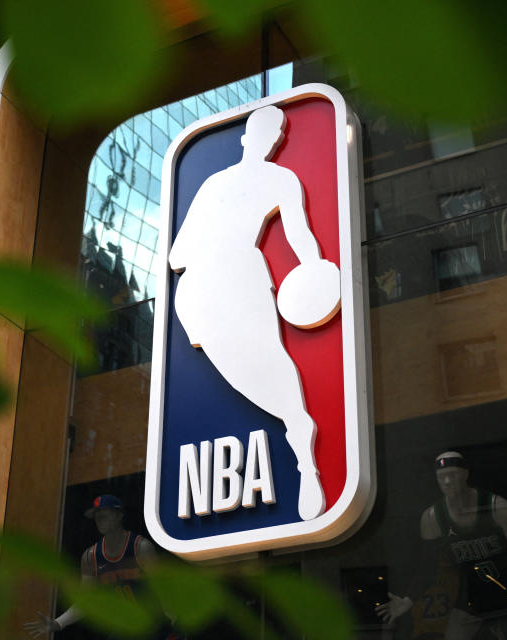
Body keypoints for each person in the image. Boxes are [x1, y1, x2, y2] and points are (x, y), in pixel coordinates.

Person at [168, 105, 333, 521]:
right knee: (248, 369)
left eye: (275, 134)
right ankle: (297, 424)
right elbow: (175, 256)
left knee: (271, 361)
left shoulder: (275, 180)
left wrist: (314, 273)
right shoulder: (219, 183)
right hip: (206, 289)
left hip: (231, 278)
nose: (273, 140)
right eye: (270, 132)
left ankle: (304, 453)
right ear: (257, 139)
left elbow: (301, 237)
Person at [376, 452, 507, 640]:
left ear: (465, 475)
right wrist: (407, 601)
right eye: (441, 477)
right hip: (477, 592)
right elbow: (428, 568)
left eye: (452, 475)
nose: (447, 482)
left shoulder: (496, 507)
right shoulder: (432, 518)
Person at [25, 495, 156, 637]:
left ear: (119, 515)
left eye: (105, 514)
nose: (100, 520)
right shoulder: (90, 557)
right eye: (97, 517)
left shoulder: (140, 548)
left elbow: (164, 591)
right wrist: (58, 623)